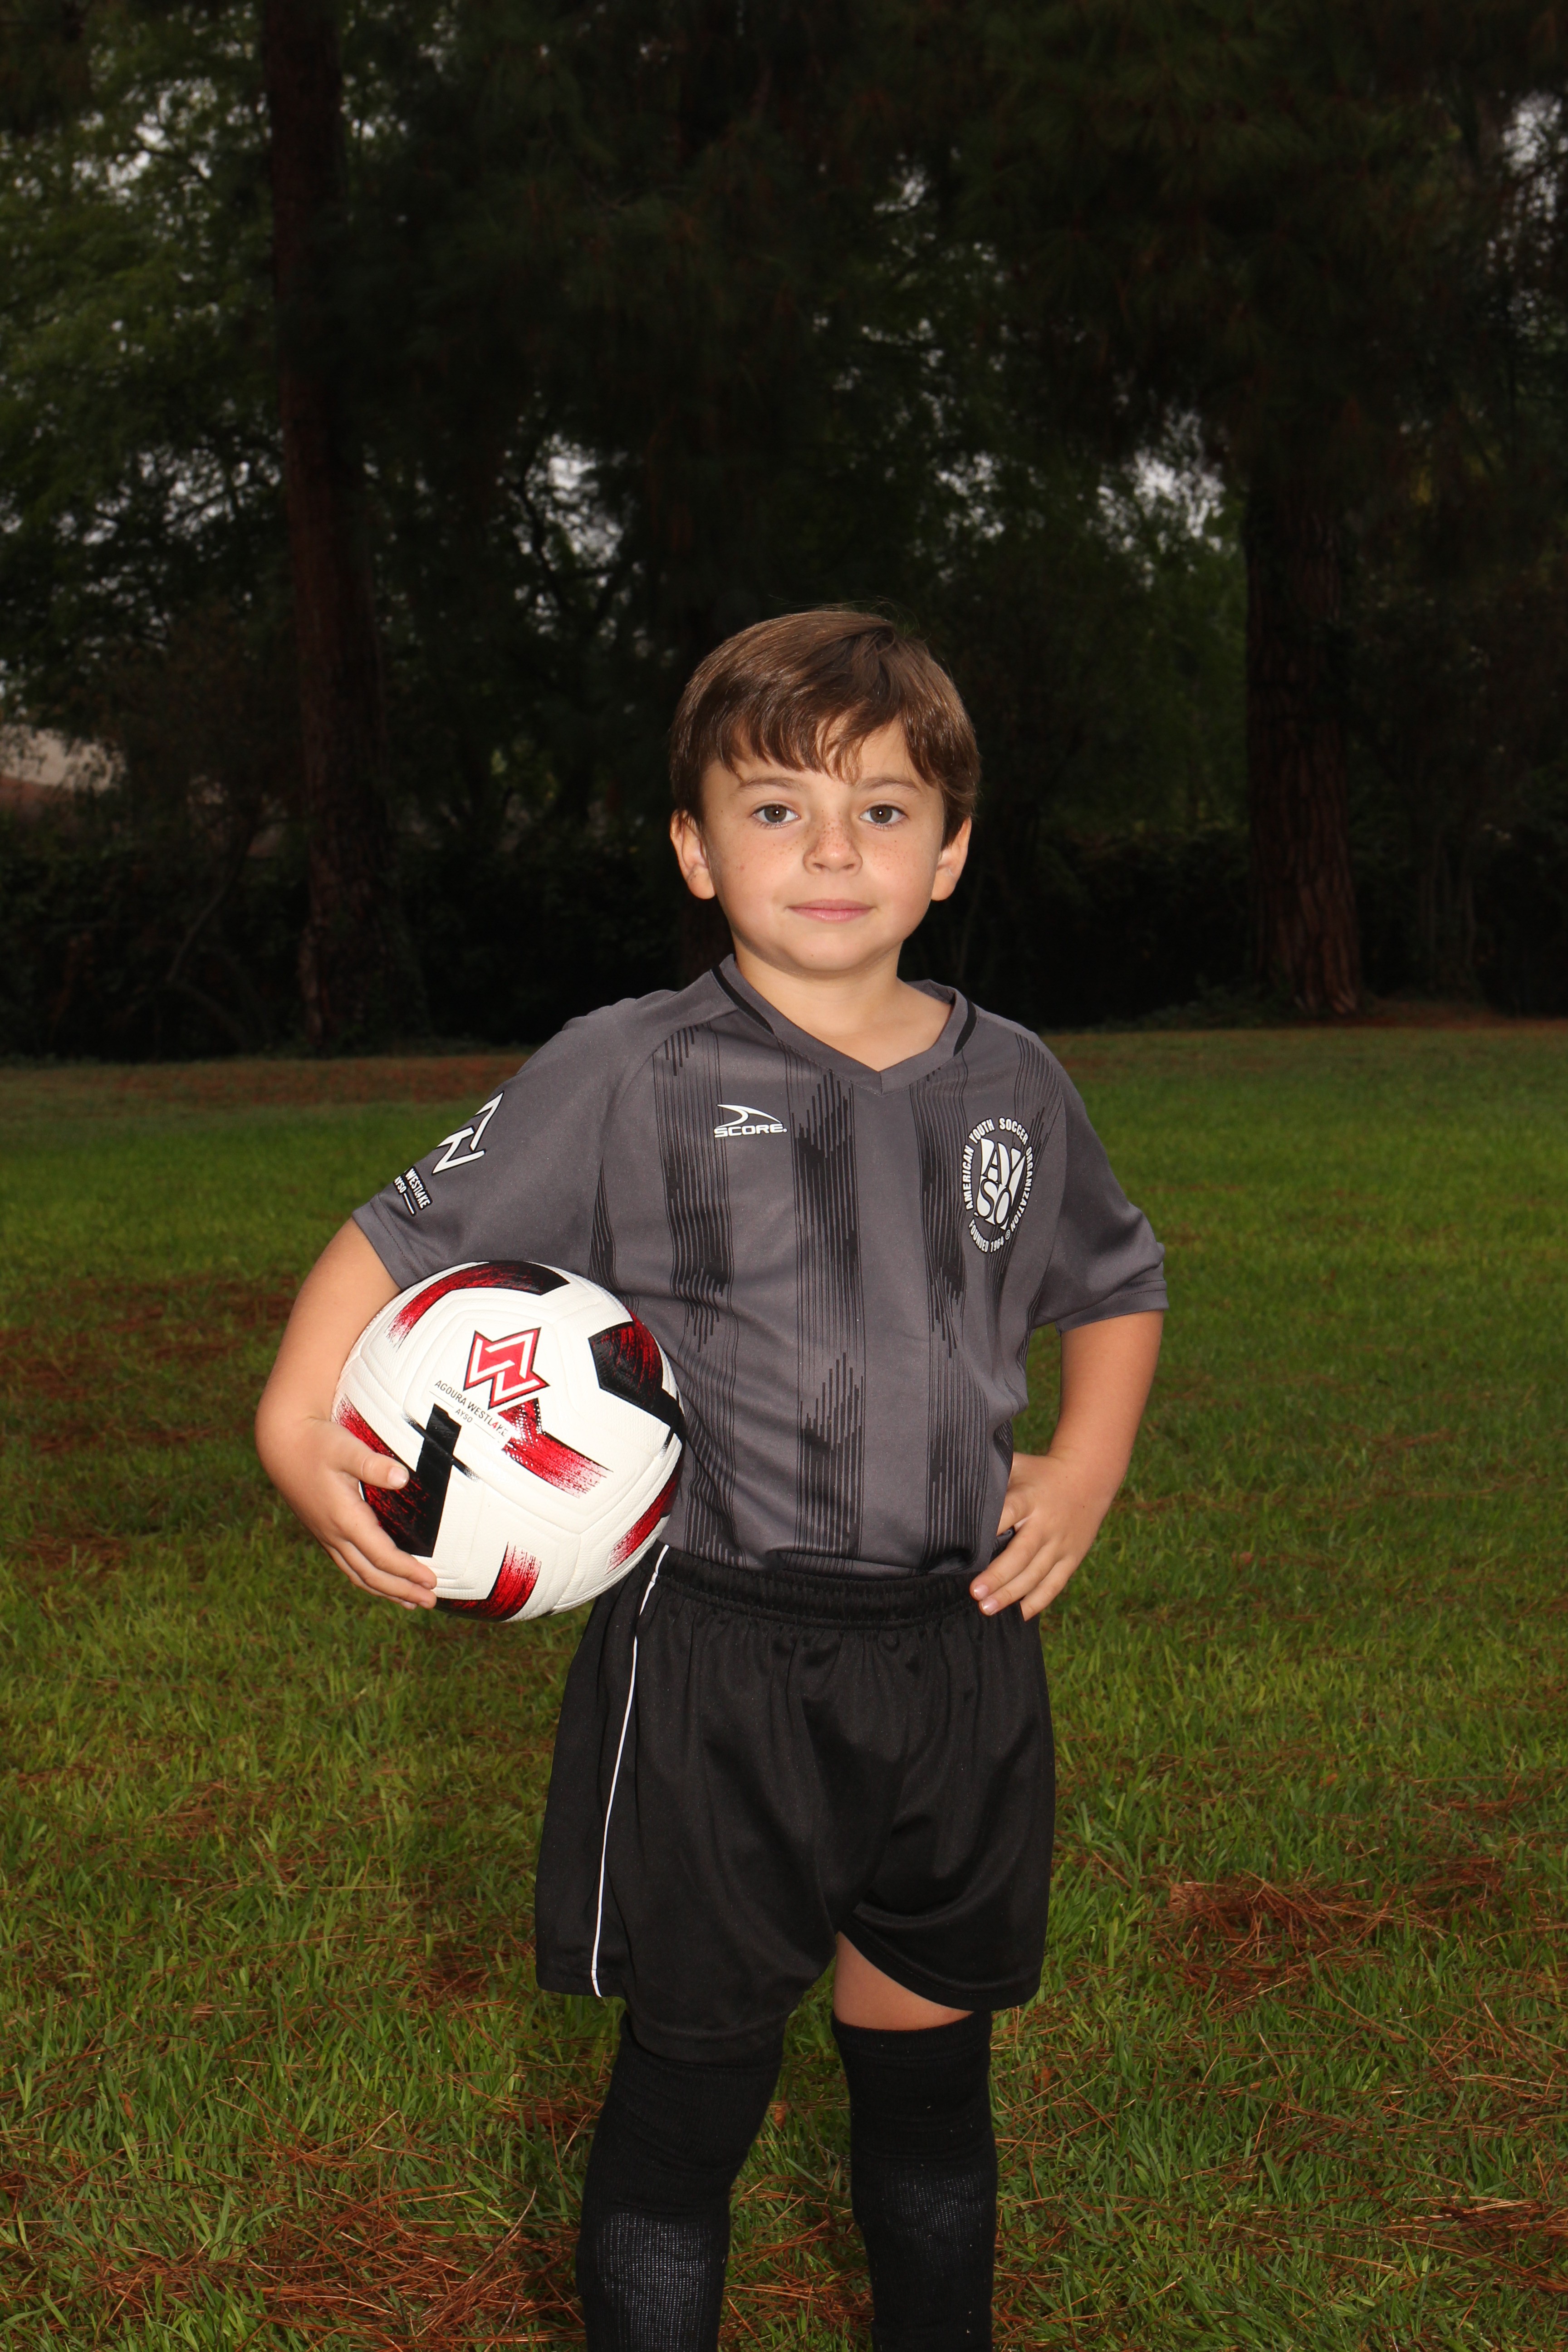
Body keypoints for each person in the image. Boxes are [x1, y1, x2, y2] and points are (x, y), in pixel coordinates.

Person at [255, 609, 1166, 2352]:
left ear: (951, 850)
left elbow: (1115, 1278)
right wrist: (297, 1419)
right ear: (693, 848)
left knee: (932, 2083)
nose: (833, 852)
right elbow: (404, 1230)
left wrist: (1088, 1463)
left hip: (958, 1652)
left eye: (883, 811)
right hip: (719, 1663)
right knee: (693, 2099)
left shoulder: (1015, 1082)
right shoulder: (630, 1067)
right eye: (775, 810)